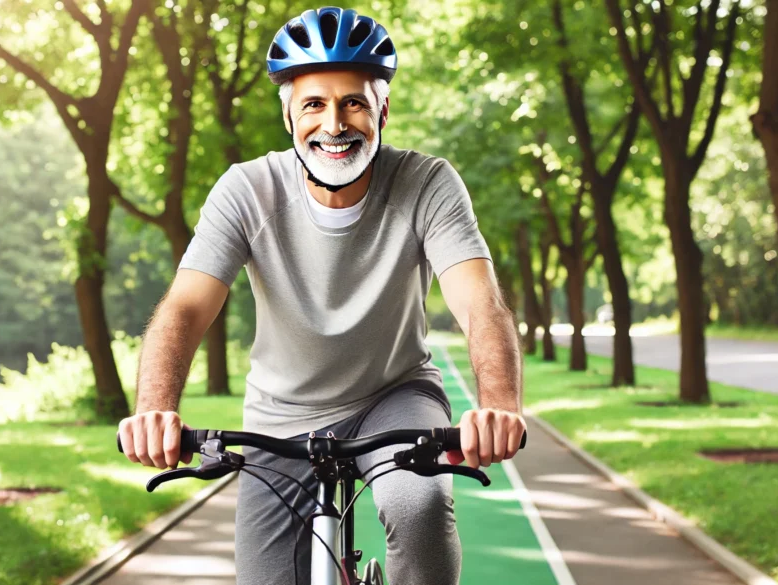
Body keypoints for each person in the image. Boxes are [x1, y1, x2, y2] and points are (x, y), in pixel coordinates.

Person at [117, 7, 527, 584]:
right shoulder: (246, 190)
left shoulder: (427, 183)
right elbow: (185, 307)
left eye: (354, 102)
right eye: (314, 104)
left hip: (395, 397)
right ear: (289, 115)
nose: (334, 123)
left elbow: (480, 303)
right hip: (280, 417)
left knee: (420, 508)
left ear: (383, 109)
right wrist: (154, 408)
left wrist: (500, 404)